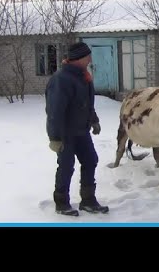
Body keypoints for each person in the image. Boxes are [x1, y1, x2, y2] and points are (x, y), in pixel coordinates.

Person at [45, 41, 109, 216]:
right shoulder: (61, 80)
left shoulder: (83, 77)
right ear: (79, 58)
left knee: (90, 160)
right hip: (65, 132)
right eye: (87, 56)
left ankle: (88, 201)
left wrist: (93, 120)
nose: (90, 59)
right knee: (66, 165)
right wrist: (55, 138)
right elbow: (54, 111)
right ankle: (61, 203)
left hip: (81, 130)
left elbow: (87, 103)